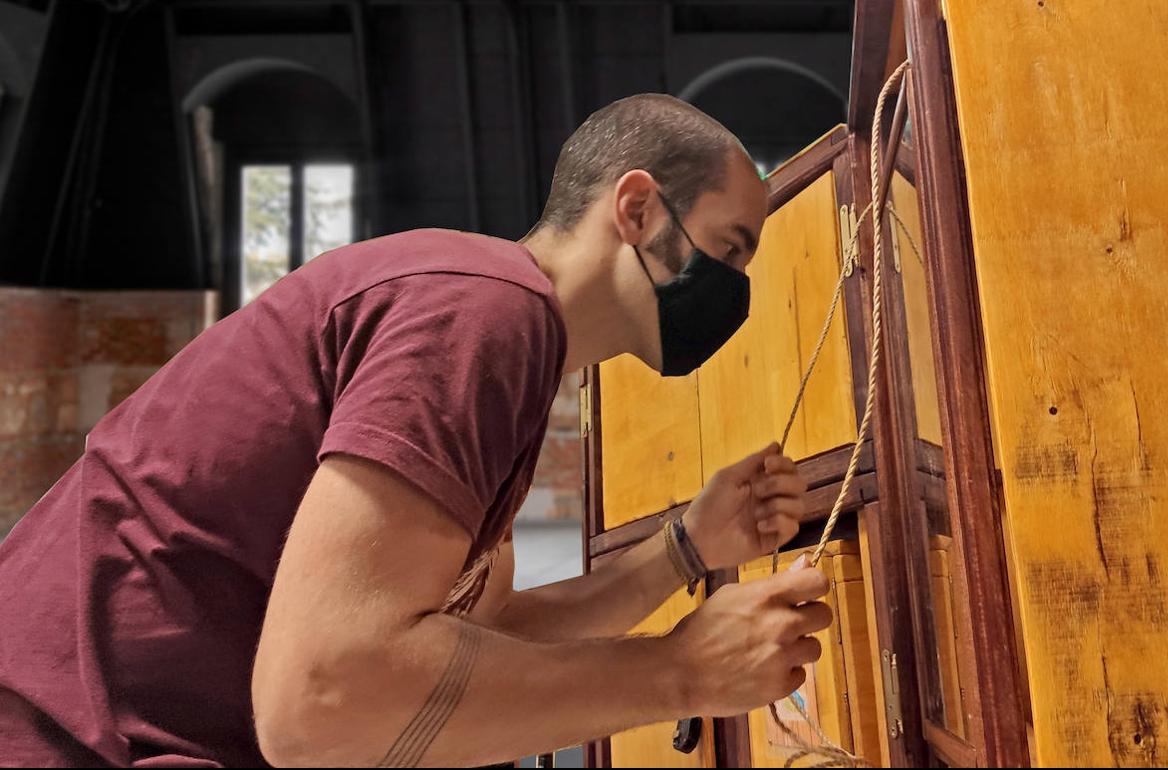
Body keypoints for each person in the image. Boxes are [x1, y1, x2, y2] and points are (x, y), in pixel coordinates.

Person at [0, 93, 832, 767]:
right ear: (640, 209)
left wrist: (687, 546)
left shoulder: (504, 343)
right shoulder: (482, 311)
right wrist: (680, 674)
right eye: (729, 248)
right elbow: (324, 700)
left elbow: (471, 647)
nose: (736, 289)